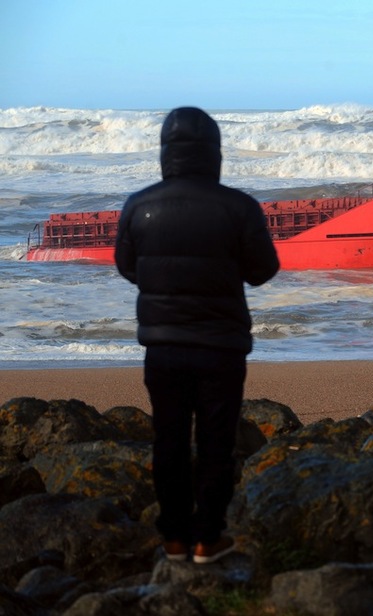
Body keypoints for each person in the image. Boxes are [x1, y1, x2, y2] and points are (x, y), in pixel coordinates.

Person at [115, 107, 280, 564]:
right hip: (221, 346)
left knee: (167, 440)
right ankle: (208, 539)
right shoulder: (239, 206)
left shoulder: (138, 205)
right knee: (216, 444)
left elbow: (128, 268)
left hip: (163, 346)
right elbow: (264, 271)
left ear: (166, 153)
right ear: (215, 152)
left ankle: (173, 540)